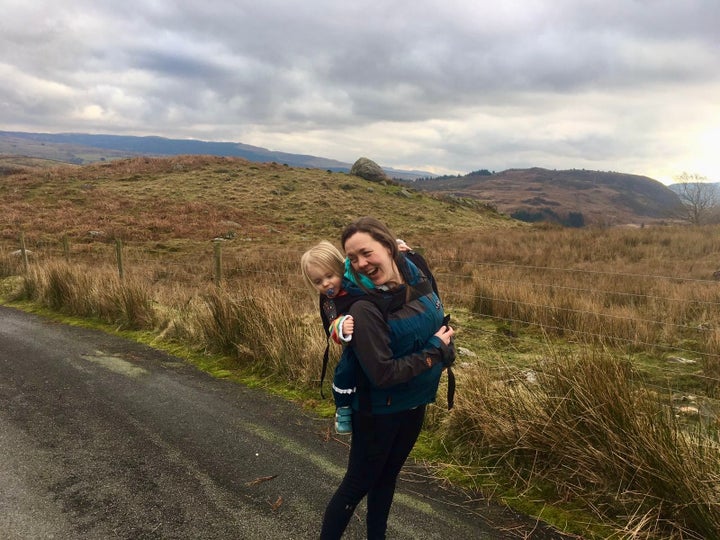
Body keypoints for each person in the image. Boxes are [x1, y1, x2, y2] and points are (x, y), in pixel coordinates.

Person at [320, 216, 455, 540]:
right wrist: (435, 351)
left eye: (366, 252)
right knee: (356, 486)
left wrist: (444, 339)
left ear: (389, 245)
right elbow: (382, 373)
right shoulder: (363, 308)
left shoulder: (417, 268)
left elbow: (436, 313)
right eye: (352, 258)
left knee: (387, 477)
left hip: (415, 401)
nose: (361, 263)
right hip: (378, 410)